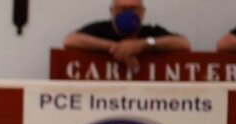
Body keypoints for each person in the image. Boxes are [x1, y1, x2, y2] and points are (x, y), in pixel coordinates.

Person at [63, 1, 191, 71]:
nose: (128, 13)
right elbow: (70, 41)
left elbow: (184, 44)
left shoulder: (150, 32)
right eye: (122, 9)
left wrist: (142, 44)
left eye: (133, 9)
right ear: (112, 11)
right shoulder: (100, 30)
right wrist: (114, 47)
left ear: (142, 12)